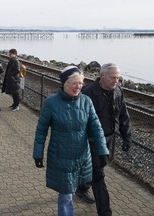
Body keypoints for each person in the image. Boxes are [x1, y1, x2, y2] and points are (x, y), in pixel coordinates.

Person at [33, 66, 109, 216]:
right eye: (74, 83)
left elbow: (96, 127)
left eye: (81, 83)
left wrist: (103, 150)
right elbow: (41, 130)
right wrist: (38, 153)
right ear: (64, 84)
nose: (78, 87)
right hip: (61, 157)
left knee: (76, 190)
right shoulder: (51, 102)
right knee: (66, 196)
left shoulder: (86, 101)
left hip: (82, 157)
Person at [76, 63, 132, 216]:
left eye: (118, 78)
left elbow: (123, 116)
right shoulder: (88, 93)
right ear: (102, 76)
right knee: (98, 175)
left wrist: (127, 137)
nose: (116, 81)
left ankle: (81, 188)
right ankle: (105, 211)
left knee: (98, 167)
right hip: (91, 141)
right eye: (113, 78)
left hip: (108, 139)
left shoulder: (118, 92)